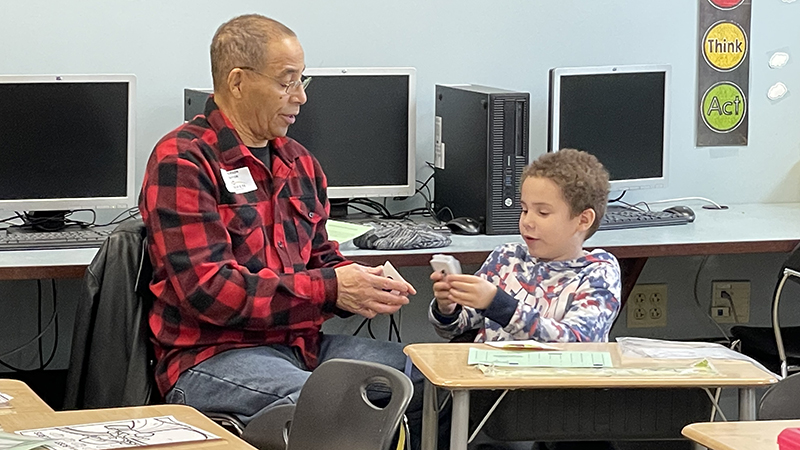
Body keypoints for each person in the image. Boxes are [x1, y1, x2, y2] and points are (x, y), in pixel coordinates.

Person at [139, 14, 440, 447]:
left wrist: (362, 284)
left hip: (301, 349)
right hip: (213, 359)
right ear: (239, 81)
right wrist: (331, 289)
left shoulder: (299, 162)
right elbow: (207, 289)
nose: (299, 97)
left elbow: (321, 259)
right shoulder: (184, 161)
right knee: (344, 409)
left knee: (432, 382)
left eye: (303, 81)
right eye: (287, 81)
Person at [429, 148, 621, 343]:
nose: (527, 221)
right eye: (524, 209)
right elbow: (455, 328)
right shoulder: (506, 258)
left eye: (543, 213)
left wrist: (498, 304)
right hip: (490, 371)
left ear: (583, 220)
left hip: (556, 374)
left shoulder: (599, 273)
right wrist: (448, 308)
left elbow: (577, 340)